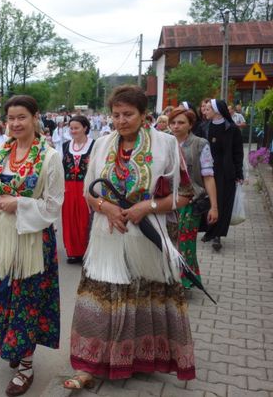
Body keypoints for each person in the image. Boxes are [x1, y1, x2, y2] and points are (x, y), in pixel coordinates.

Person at [65, 85, 195, 389]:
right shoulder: (101, 145)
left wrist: (145, 207)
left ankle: (138, 360)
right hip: (107, 238)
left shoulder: (165, 145)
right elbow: (88, 192)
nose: (121, 120)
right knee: (101, 298)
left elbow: (186, 194)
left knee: (142, 297)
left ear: (143, 114)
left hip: (146, 239)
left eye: (128, 114)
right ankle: (90, 366)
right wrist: (105, 207)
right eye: (116, 115)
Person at [0, 95, 63, 396]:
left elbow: (54, 206)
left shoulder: (50, 157)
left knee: (25, 302)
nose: (15, 124)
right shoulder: (1, 153)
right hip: (2, 239)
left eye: (21, 118)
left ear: (35, 118)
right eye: (11, 118)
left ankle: (26, 366)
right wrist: (0, 201)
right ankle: (11, 345)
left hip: (31, 242)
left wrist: (21, 203)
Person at [168, 106, 218, 288]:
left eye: (181, 122)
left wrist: (214, 206)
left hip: (191, 200)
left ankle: (185, 281)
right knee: (166, 241)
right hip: (165, 200)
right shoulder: (164, 142)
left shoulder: (200, 144)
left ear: (190, 125)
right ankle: (166, 278)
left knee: (185, 243)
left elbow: (208, 176)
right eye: (172, 122)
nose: (175, 126)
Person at [200, 99, 244, 251]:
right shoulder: (204, 127)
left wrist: (239, 173)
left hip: (225, 171)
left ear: (217, 110)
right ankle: (209, 231)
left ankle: (217, 235)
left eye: (208, 108)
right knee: (209, 201)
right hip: (207, 170)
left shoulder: (232, 129)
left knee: (222, 203)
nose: (205, 111)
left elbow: (238, 153)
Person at [61, 116, 95, 264]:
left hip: (86, 186)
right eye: (71, 128)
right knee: (69, 219)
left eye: (76, 128)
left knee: (85, 219)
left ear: (85, 128)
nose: (73, 131)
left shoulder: (94, 145)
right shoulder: (65, 145)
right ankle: (73, 252)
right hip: (68, 187)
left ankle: (87, 251)